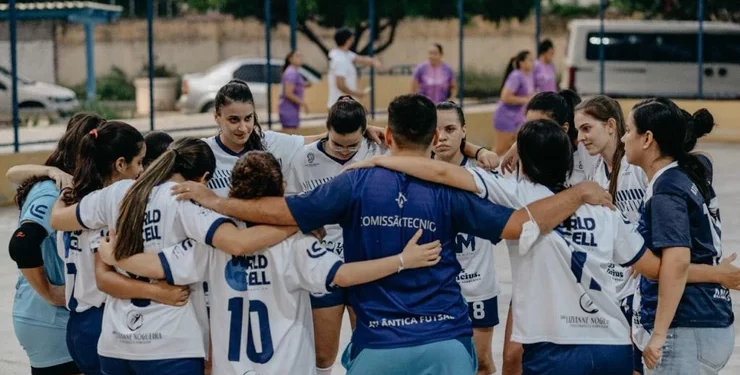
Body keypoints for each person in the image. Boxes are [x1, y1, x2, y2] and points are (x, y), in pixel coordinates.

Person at [170, 94, 616, 375]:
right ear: (432, 136)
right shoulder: (447, 187)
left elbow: (286, 211)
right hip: (445, 342)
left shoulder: (357, 180)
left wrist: (216, 202)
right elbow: (518, 225)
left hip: (379, 345)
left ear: (388, 133)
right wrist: (578, 194)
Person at [348, 118, 740, 375]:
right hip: (612, 347)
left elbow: (440, 171)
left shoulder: (518, 195)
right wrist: (716, 273)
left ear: (522, 163)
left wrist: (379, 163)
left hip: (555, 349)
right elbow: (657, 267)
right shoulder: (603, 208)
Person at [94, 150, 443, 375]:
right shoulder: (296, 243)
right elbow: (345, 275)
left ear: (233, 191)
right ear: (282, 188)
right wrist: (401, 259)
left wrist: (114, 256)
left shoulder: (213, 243)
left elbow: (157, 267)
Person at [49, 137, 306, 375]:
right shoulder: (184, 201)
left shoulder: (118, 193)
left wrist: (59, 190)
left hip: (115, 344)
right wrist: (301, 221)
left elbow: (59, 220)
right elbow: (238, 243)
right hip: (169, 345)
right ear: (203, 178)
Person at [57, 121, 191, 375]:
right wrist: (159, 293)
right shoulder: (110, 203)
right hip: (98, 320)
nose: (143, 172)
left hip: (76, 323)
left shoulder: (75, 203)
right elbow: (105, 277)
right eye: (140, 162)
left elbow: (56, 219)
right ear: (120, 164)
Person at [625, 99, 734, 374]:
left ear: (647, 138)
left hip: (685, 328)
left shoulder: (667, 188)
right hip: (705, 322)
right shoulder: (686, 173)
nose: (624, 138)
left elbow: (677, 261)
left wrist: (659, 334)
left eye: (628, 130)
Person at [7, 113, 104, 375]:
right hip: (48, 318)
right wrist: (50, 292)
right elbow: (22, 245)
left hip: (56, 318)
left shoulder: (76, 187)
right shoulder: (53, 191)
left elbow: (14, 174)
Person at [574, 95, 648, 375]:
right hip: (612, 286)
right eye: (578, 130)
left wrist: (648, 254)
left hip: (641, 284)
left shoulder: (637, 166)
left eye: (586, 129)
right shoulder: (595, 170)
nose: (580, 138)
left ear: (610, 126)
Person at [433, 101, 500, 375]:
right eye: (436, 130)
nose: (443, 136)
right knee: (439, 364)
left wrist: (479, 151)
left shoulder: (484, 172)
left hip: (477, 286)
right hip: (434, 288)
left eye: (450, 129)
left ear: (464, 131)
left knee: (481, 362)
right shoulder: (416, 168)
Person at [493, 50, 535, 155]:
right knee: (500, 150)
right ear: (521, 63)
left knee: (522, 146)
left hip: (519, 117)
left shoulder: (528, 76)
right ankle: (480, 169)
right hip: (506, 116)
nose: (532, 63)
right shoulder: (516, 76)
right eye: (529, 60)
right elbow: (505, 97)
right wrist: (526, 100)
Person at [327, 27, 382, 107]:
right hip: (341, 107)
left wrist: (373, 61)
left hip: (343, 105)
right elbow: (340, 85)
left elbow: (359, 59)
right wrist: (357, 93)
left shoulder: (342, 54)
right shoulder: (340, 60)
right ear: (348, 40)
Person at [279, 50, 311, 131]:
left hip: (292, 110)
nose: (300, 58)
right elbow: (288, 93)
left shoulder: (294, 71)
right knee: (289, 138)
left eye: (301, 56)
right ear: (290, 59)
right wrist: (303, 103)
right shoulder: (291, 72)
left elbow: (296, 84)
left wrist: (305, 84)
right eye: (297, 56)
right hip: (288, 110)